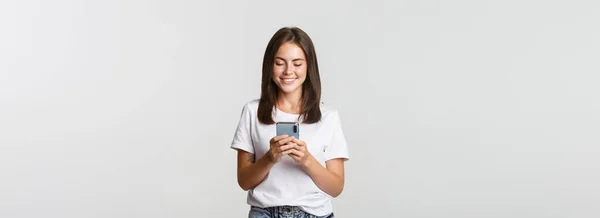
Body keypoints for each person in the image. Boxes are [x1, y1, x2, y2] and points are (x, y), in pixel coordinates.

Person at [230, 27, 350, 218]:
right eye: (279, 63)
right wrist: (270, 158)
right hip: (264, 213)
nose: (288, 71)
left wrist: (306, 160)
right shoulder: (252, 112)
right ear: (270, 65)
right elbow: (244, 181)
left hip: (315, 214)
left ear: (308, 66)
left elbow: (336, 187)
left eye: (297, 63)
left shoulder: (329, 117)